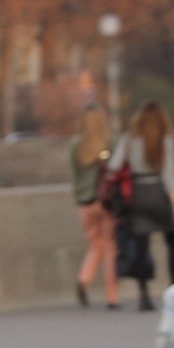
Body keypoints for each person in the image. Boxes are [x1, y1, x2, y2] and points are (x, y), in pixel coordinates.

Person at [108, 100, 174, 311]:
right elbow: (169, 178)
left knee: (142, 246)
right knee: (172, 241)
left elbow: (114, 165)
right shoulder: (165, 141)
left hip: (138, 193)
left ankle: (144, 295)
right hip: (158, 192)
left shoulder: (129, 139)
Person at [70, 104, 119, 310]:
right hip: (105, 202)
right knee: (110, 248)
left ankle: (84, 280)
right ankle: (112, 296)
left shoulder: (76, 146)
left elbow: (75, 176)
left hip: (84, 204)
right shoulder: (108, 144)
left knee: (95, 245)